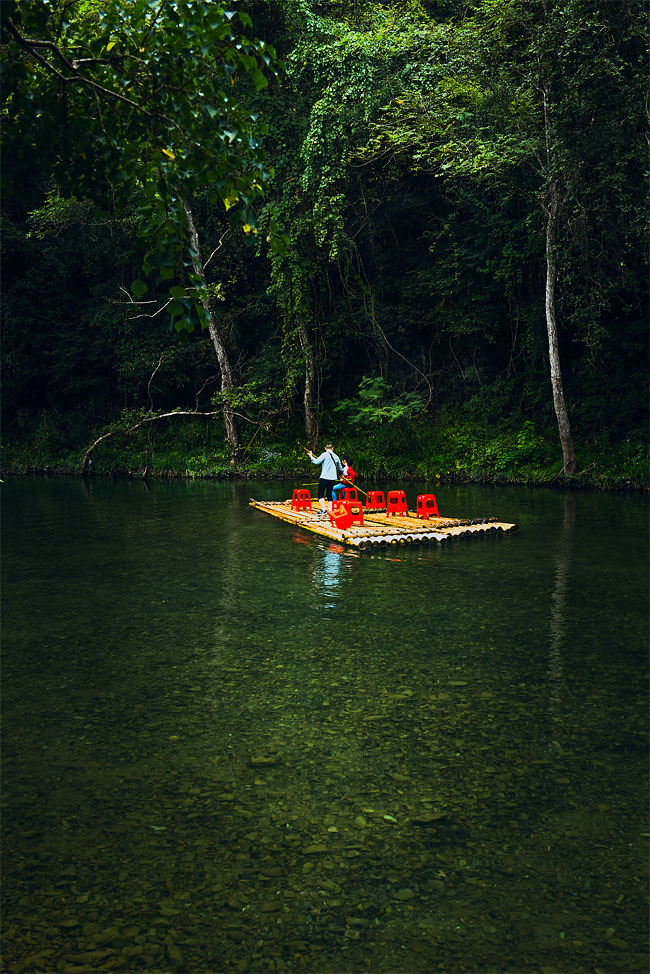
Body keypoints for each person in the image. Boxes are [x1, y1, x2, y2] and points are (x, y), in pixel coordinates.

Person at [308, 442, 343, 517]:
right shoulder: (336, 457)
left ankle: (323, 510)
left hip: (324, 477)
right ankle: (330, 511)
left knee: (320, 493)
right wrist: (341, 475)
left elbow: (317, 462)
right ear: (332, 448)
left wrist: (311, 456)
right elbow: (340, 468)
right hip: (332, 478)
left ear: (325, 448)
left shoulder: (324, 454)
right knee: (329, 494)